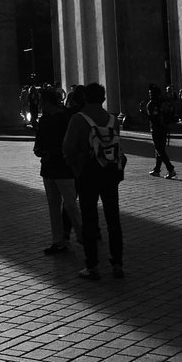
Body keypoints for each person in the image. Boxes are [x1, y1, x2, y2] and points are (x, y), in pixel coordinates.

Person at [62, 83, 125, 280]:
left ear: (85, 99)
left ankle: (92, 266)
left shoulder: (78, 119)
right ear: (103, 99)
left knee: (89, 219)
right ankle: (117, 263)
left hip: (88, 173)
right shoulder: (113, 120)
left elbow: (68, 148)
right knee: (113, 218)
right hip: (110, 173)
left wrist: (77, 168)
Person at [33, 87, 83, 253]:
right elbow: (39, 140)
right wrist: (38, 150)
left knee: (70, 204)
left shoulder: (67, 117)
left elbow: (71, 142)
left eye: (41, 102)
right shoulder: (45, 119)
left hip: (64, 167)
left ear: (48, 102)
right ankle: (59, 241)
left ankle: (83, 237)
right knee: (54, 206)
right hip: (48, 167)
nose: (39, 105)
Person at [139, 84, 177, 178]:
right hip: (164, 127)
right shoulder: (163, 102)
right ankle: (157, 169)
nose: (149, 95)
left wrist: (143, 113)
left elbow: (152, 118)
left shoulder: (151, 104)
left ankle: (170, 168)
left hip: (156, 128)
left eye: (150, 93)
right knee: (160, 149)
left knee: (159, 149)